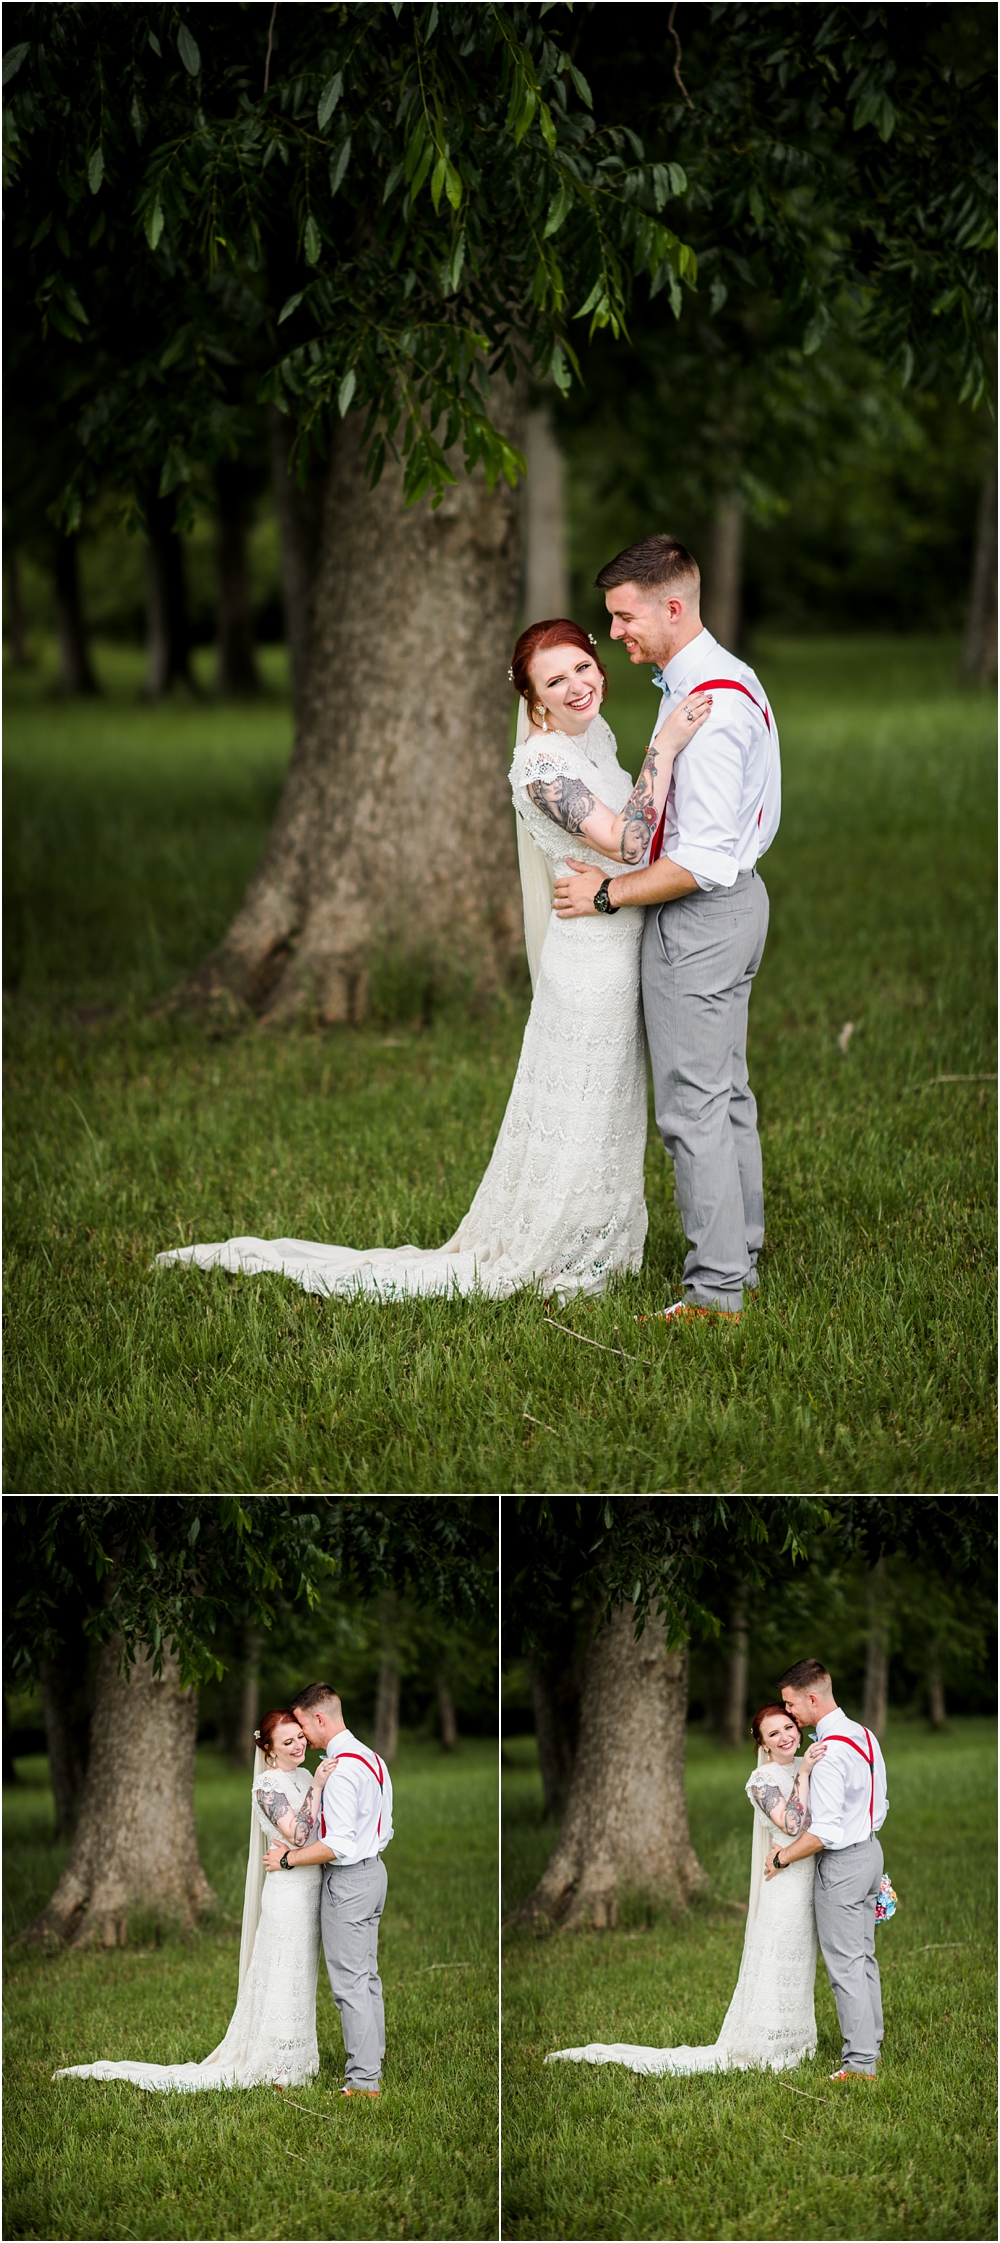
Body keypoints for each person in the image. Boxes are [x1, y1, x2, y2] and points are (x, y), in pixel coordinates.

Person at [155, 620, 709, 1303]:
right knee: (582, 1108)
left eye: (581, 667)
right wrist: (669, 742)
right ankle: (562, 1254)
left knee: (610, 1108)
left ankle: (601, 1244)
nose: (576, 686)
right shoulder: (541, 765)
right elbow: (628, 840)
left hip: (617, 936)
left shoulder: (590, 737)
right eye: (554, 680)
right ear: (533, 699)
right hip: (590, 964)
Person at [554, 534, 781, 1320]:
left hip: (700, 919)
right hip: (736, 910)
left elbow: (699, 861)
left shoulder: (709, 711)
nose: (611, 634)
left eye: (622, 618)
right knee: (726, 1093)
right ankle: (740, 1250)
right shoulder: (713, 677)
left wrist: (609, 894)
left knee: (691, 1104)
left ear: (671, 607)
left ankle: (717, 1290)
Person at [53, 1709, 335, 2092]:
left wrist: (314, 1787)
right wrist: (317, 1788)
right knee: (282, 1977)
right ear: (269, 1751)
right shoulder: (267, 1786)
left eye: (300, 1736)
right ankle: (274, 2068)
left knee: (301, 1976)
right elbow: (300, 1834)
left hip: (309, 1890)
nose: (299, 1745)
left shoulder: (302, 1776)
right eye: (288, 1742)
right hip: (286, 1897)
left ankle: (297, 2060)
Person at [546, 1705, 826, 2077]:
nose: (785, 1736)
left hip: (808, 1876)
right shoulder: (762, 1780)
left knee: (801, 1964)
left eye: (789, 1727)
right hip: (785, 1885)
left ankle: (797, 2040)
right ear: (762, 1743)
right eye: (773, 1734)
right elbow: (792, 1824)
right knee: (778, 1962)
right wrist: (805, 1772)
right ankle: (766, 2046)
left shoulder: (810, 1763)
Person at [269, 1683, 395, 2098]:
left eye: (303, 1726)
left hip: (349, 1882)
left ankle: (362, 2081)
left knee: (349, 1984)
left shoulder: (340, 1770)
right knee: (367, 1975)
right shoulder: (371, 1758)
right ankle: (372, 2057)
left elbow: (336, 1844)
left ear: (319, 1718)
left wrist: (287, 1860)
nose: (302, 1736)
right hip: (374, 1873)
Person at [774, 1658, 889, 2083]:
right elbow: (881, 1802)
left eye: (790, 1705)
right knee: (863, 1957)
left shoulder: (828, 1754)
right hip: (871, 1853)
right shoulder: (863, 1734)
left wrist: (781, 1858)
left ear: (812, 1698)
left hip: (841, 1866)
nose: (788, 1714)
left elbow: (822, 1833)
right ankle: (870, 2044)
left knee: (844, 1965)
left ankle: (859, 2064)